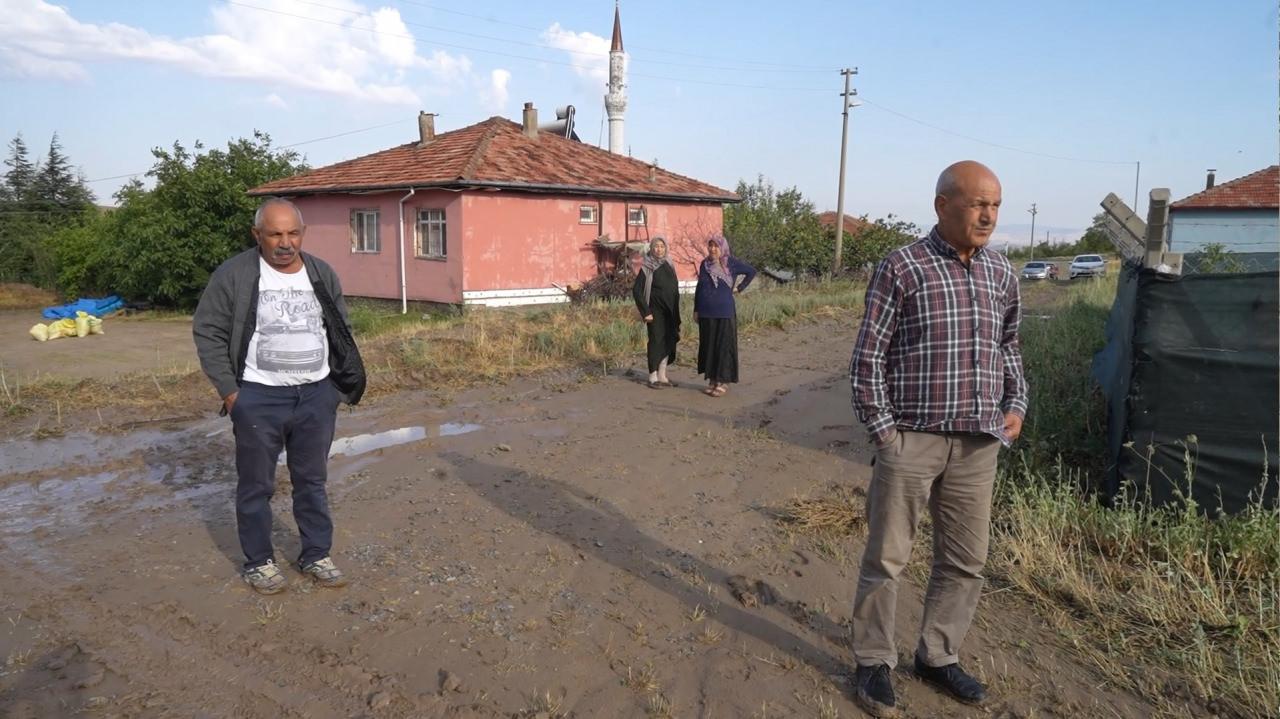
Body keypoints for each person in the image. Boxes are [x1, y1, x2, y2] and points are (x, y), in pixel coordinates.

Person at [847, 161, 1027, 716]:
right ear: (942, 205)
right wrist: (885, 434)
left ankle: (937, 654)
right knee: (887, 558)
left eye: (995, 205)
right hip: (912, 440)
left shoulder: (1001, 273)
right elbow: (868, 357)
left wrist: (1015, 403)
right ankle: (874, 662)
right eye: (977, 204)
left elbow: (1009, 347)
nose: (988, 215)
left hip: (979, 443)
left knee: (965, 560)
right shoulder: (903, 267)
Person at [193, 197, 366, 595]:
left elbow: (340, 327)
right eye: (275, 234)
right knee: (256, 485)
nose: (285, 242)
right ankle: (259, 561)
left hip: (316, 396)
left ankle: (316, 554)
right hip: (258, 397)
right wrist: (232, 393)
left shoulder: (321, 272)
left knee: (312, 481)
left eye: (292, 233)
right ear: (258, 235)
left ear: (302, 234)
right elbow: (208, 331)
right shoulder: (234, 274)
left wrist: (334, 389)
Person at [693, 235, 755, 397]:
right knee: (710, 347)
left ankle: (723, 381)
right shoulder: (704, 264)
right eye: (710, 246)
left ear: (722, 248)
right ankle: (713, 380)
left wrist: (740, 288)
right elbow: (700, 288)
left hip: (725, 311)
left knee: (724, 347)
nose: (713, 249)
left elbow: (751, 271)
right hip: (706, 312)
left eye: (716, 246)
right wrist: (696, 309)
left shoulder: (731, 263)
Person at [632, 237, 680, 389]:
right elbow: (637, 291)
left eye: (662, 246)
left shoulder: (669, 264)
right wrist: (646, 312)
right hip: (655, 312)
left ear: (666, 248)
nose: (659, 249)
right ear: (651, 249)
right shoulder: (647, 267)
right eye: (656, 246)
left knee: (669, 340)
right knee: (656, 341)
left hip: (670, 312)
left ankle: (662, 375)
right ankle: (652, 377)